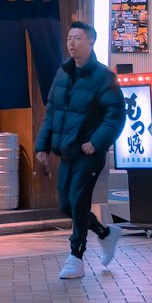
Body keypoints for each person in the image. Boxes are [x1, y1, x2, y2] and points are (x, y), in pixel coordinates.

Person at [35, 19, 126, 280]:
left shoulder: (104, 77)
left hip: (89, 153)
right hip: (67, 152)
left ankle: (76, 256)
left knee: (79, 201)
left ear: (91, 41)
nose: (71, 44)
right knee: (66, 204)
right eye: (69, 39)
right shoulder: (62, 73)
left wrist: (96, 142)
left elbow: (115, 115)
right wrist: (43, 145)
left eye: (77, 38)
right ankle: (105, 233)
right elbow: (52, 111)